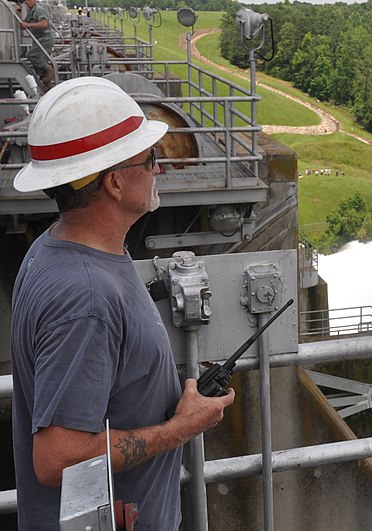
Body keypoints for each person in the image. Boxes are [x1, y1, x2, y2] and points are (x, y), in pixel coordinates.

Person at [10, 77, 235, 530]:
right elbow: (57, 461)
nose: (159, 168)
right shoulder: (85, 297)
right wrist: (180, 429)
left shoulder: (60, 249)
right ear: (114, 182)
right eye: (150, 159)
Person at [17, 0, 55, 88]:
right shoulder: (31, 12)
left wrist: (29, 25)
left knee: (31, 55)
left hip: (45, 38)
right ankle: (47, 85)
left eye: (29, 0)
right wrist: (18, 13)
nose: (27, 2)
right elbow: (23, 25)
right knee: (39, 63)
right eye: (26, 0)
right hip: (39, 39)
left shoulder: (38, 10)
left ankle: (48, 69)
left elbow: (44, 24)